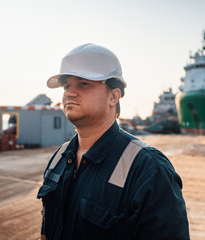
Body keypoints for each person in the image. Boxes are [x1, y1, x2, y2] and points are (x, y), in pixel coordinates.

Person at [37, 43, 189, 240]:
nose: (69, 93)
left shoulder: (149, 170)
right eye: (67, 85)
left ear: (114, 96)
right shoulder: (59, 158)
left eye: (83, 83)